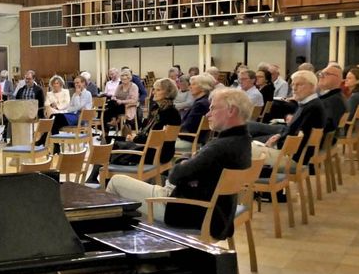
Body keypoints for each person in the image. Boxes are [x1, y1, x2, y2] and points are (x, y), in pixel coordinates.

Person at [106, 88, 253, 240]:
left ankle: (110, 241)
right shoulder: (243, 141)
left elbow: (175, 175)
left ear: (231, 111)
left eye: (213, 108)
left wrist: (184, 161)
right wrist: (188, 162)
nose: (208, 114)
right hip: (219, 214)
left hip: (185, 210)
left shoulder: (219, 147)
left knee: (116, 182)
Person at [250, 70, 325, 167]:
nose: (294, 88)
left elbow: (299, 139)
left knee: (242, 148)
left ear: (312, 87)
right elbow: (295, 132)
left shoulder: (312, 107)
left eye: (299, 85)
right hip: (292, 154)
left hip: (290, 158)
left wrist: (276, 143)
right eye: (293, 84)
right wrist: (279, 136)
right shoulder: (310, 104)